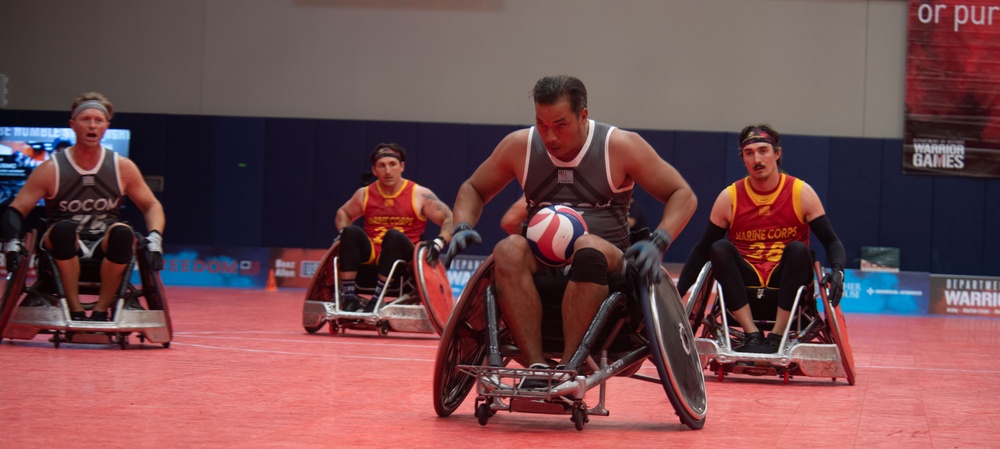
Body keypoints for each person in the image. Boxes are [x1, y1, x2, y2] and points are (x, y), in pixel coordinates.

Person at [450, 75, 697, 385]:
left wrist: (660, 240)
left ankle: (568, 367)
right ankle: (538, 368)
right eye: (541, 124)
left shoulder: (619, 146)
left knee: (587, 247)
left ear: (583, 116)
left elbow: (682, 194)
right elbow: (474, 187)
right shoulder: (520, 146)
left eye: (560, 124)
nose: (549, 136)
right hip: (546, 262)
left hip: (609, 260)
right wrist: (461, 224)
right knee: (508, 248)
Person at [676, 123, 846, 353]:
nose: (757, 159)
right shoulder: (730, 197)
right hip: (743, 289)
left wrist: (837, 271)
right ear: (743, 159)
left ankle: (776, 336)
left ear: (777, 154)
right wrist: (678, 296)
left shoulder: (801, 193)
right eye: (749, 153)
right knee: (719, 247)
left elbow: (832, 241)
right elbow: (702, 249)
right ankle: (751, 334)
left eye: (763, 150)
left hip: (788, 286)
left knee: (798, 249)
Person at [1, 92, 165, 321]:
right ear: (73, 125)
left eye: (98, 120)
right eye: (85, 119)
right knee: (65, 229)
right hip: (61, 240)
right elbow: (16, 209)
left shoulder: (122, 167)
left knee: (122, 232)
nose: (92, 125)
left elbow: (151, 205)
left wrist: (155, 238)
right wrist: (11, 244)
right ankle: (75, 309)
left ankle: (100, 312)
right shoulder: (51, 169)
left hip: (103, 241)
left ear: (106, 126)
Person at [332, 142, 474, 312]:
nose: (387, 171)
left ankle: (376, 300)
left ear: (402, 167)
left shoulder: (419, 194)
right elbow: (343, 213)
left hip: (405, 257)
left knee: (393, 236)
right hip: (372, 252)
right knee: (350, 231)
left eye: (392, 164)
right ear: (375, 170)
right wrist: (343, 231)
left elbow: (449, 217)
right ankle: (349, 299)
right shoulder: (364, 194)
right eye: (382, 166)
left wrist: (439, 242)